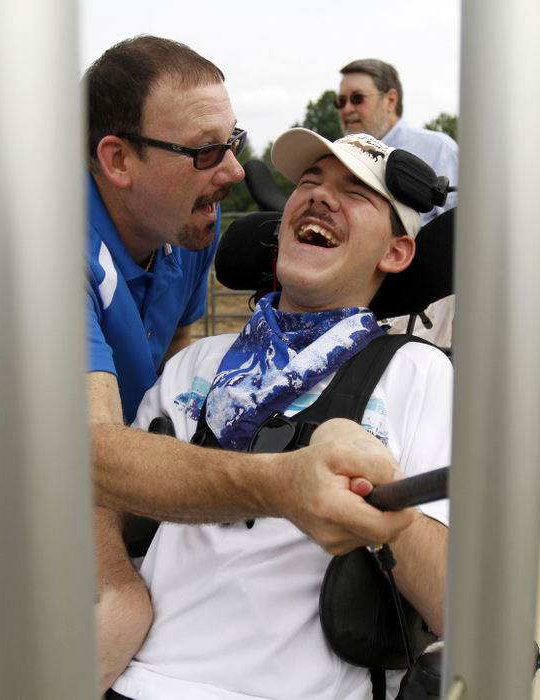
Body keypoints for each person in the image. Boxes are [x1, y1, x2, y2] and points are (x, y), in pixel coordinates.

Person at [0, 36, 415, 699]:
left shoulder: (190, 223)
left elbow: (172, 372)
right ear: (117, 159)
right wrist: (274, 482)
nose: (233, 171)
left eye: (232, 140)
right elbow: (89, 451)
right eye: (205, 151)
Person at [105, 128, 452, 700]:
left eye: (357, 193)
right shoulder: (193, 366)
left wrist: (374, 488)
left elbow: (457, 601)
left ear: (396, 252)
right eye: (309, 182)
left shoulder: (419, 374)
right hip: (141, 680)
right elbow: (107, 514)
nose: (318, 195)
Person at [337, 58, 460, 347]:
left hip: (423, 311)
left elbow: (456, 237)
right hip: (351, 305)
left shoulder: (437, 148)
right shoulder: (341, 157)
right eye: (340, 102)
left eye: (357, 98)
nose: (347, 109)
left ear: (390, 99)